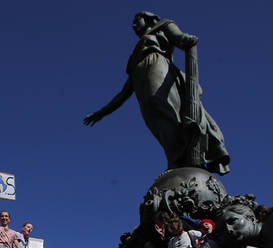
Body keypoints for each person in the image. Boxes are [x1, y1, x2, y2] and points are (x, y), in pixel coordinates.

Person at [83, 11, 230, 174]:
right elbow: (123, 94)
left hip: (158, 68)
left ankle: (190, 153)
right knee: (157, 121)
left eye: (136, 20)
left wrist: (186, 40)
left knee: (161, 104)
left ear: (148, 18)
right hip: (140, 83)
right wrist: (101, 113)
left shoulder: (163, 26)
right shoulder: (135, 58)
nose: (133, 25)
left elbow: (180, 39)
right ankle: (175, 161)